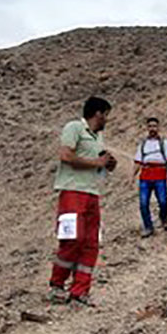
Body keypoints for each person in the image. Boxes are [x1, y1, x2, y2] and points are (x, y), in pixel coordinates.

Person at [50, 96, 116, 306]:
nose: (107, 119)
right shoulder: (74, 128)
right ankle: (57, 285)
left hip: (92, 193)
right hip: (72, 192)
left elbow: (98, 163)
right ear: (99, 113)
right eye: (106, 115)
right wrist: (96, 161)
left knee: (90, 243)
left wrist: (107, 163)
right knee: (72, 239)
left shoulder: (98, 137)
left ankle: (80, 290)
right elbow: (66, 156)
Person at [131, 117, 167, 237]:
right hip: (145, 176)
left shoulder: (164, 143)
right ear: (147, 128)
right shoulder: (143, 144)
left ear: (158, 128)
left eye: (154, 126)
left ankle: (163, 217)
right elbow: (138, 161)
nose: (152, 129)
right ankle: (148, 227)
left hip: (160, 175)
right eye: (150, 126)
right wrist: (132, 176)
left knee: (163, 201)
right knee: (143, 203)